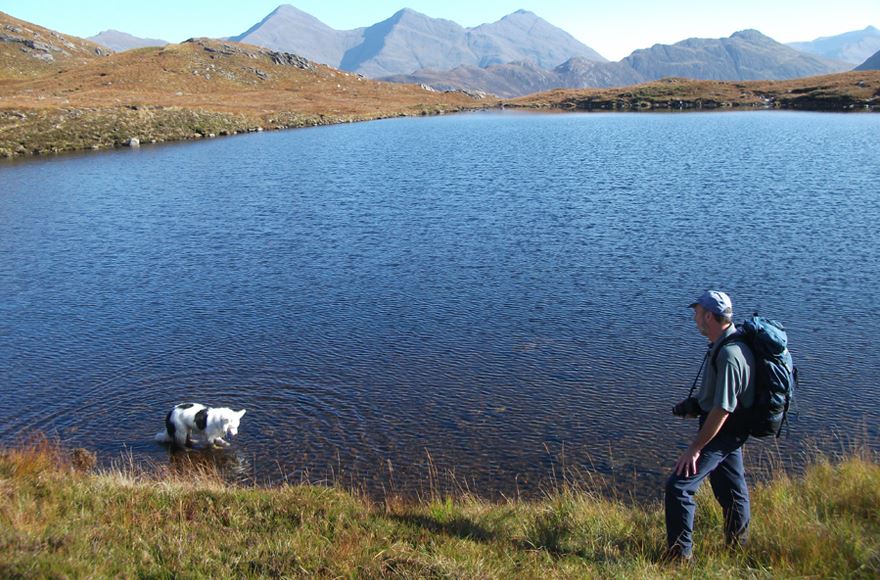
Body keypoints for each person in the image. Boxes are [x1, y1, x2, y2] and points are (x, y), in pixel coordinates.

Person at [664, 290, 755, 562]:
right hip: (730, 430)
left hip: (722, 431)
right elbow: (720, 398)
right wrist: (694, 405)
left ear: (708, 316)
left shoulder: (729, 354)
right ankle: (738, 551)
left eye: (697, 313)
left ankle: (680, 560)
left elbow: (723, 409)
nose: (694, 318)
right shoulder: (727, 344)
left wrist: (695, 448)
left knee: (679, 487)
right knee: (732, 490)